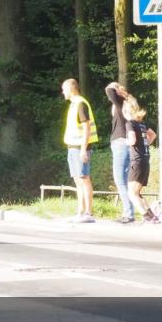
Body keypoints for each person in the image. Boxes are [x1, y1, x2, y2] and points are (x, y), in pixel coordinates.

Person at [61, 78, 98, 222]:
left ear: (71, 89)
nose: (63, 92)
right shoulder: (73, 105)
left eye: (64, 89)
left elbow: (87, 127)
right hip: (73, 146)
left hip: (80, 147)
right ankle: (80, 212)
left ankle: (88, 212)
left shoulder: (80, 104)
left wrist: (83, 149)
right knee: (78, 180)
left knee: (84, 178)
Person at [123, 96, 158, 223]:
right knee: (137, 192)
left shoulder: (130, 123)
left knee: (132, 193)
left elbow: (132, 140)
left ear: (126, 111)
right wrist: (145, 144)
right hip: (145, 160)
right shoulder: (142, 123)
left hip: (137, 161)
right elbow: (153, 134)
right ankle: (152, 216)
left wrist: (125, 141)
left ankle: (146, 216)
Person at [105, 82, 134, 223]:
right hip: (126, 143)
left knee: (119, 180)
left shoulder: (120, 102)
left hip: (120, 143)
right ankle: (129, 212)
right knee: (125, 181)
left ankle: (128, 213)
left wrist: (116, 87)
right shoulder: (127, 104)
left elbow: (109, 89)